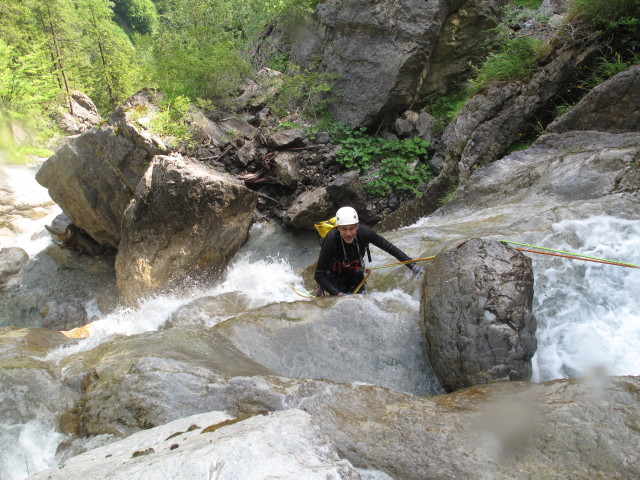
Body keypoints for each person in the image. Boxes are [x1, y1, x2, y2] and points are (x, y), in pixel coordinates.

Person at [314, 206, 424, 296]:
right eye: (344, 229)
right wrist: (338, 294)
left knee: (362, 302)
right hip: (334, 274)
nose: (348, 233)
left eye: (351, 228)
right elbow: (319, 274)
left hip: (355, 272)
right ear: (338, 228)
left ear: (357, 226)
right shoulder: (331, 240)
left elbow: (389, 248)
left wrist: (413, 266)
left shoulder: (365, 233)